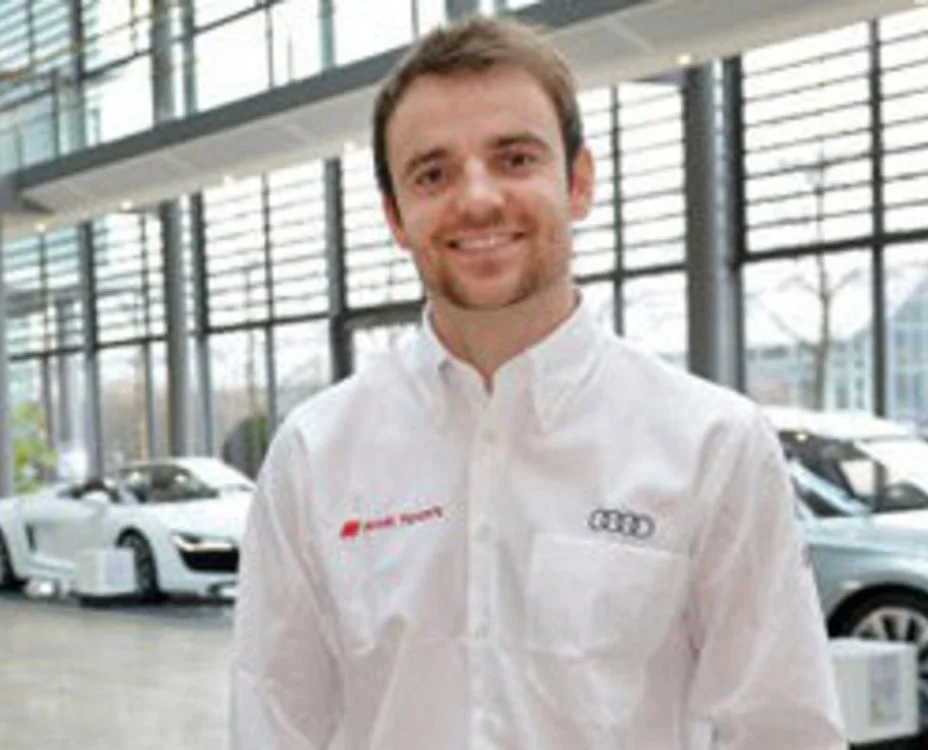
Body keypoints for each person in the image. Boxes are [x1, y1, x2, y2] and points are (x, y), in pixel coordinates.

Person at [231, 17, 845, 749]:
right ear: (396, 216)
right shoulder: (314, 456)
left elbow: (782, 728)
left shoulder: (712, 445)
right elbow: (275, 722)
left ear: (578, 183)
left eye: (515, 158)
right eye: (433, 174)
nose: (478, 199)